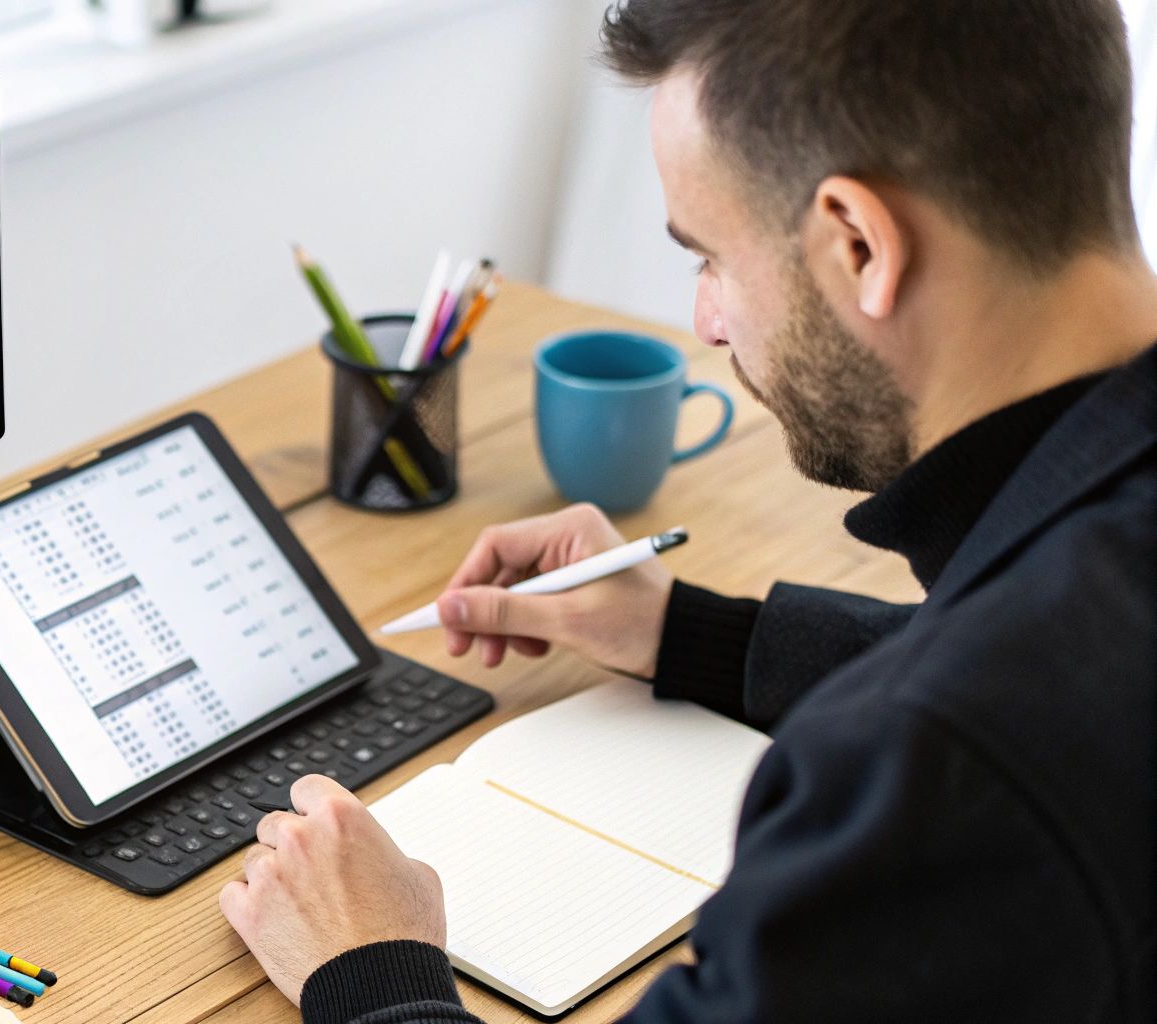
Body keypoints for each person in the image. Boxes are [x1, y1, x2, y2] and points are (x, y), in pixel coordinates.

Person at [217, 0, 1157, 1020]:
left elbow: (989, 717)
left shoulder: (935, 772)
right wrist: (694, 635)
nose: (705, 322)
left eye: (707, 255)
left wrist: (370, 967)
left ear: (856, 244)